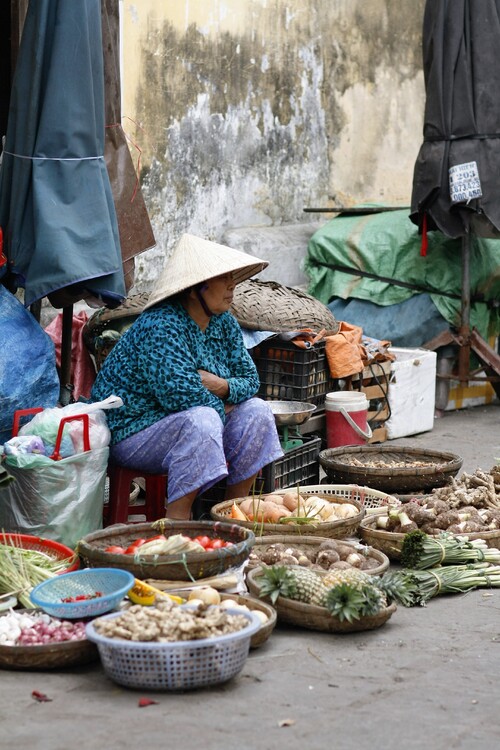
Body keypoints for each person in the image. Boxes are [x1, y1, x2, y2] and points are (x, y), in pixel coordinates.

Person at [91, 233, 284, 520]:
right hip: (133, 430)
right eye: (222, 278)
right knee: (201, 419)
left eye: (232, 277)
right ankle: (177, 523)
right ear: (195, 289)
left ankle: (232, 515)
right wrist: (223, 403)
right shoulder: (161, 324)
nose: (232, 285)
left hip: (183, 420)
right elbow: (178, 396)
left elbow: (250, 380)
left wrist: (221, 385)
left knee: (257, 411)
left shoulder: (225, 323)